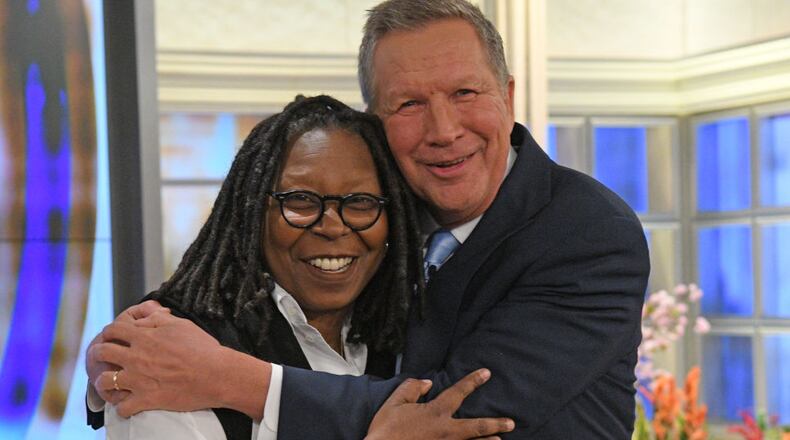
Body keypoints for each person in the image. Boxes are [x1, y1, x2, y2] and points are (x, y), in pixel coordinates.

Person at [88, 1, 650, 438]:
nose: (443, 129)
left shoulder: (588, 232)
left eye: (464, 92)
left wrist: (225, 376)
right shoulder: (385, 212)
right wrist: (121, 358)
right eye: (408, 104)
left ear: (506, 95)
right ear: (376, 125)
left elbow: (452, 411)